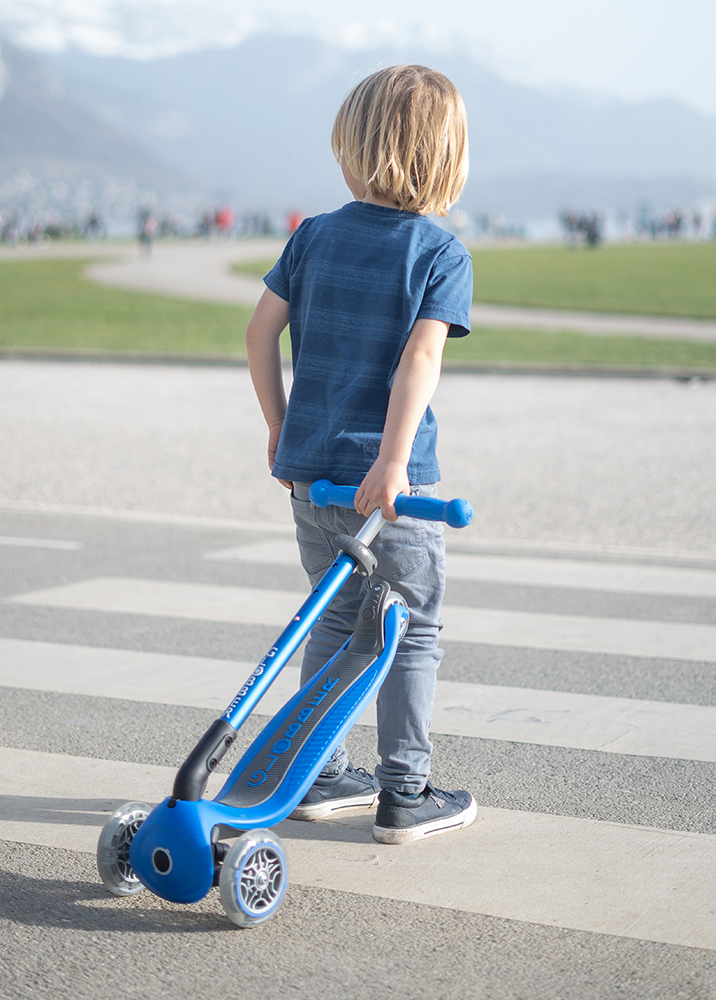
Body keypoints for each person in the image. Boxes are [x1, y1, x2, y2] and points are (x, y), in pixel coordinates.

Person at [244, 65, 477, 845]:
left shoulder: (312, 234)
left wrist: (279, 426)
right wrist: (392, 462)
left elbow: (258, 332)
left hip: (311, 479)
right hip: (392, 488)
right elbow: (421, 362)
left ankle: (317, 774)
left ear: (354, 153)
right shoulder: (439, 251)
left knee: (337, 618)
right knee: (408, 628)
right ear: (445, 161)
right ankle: (403, 793)